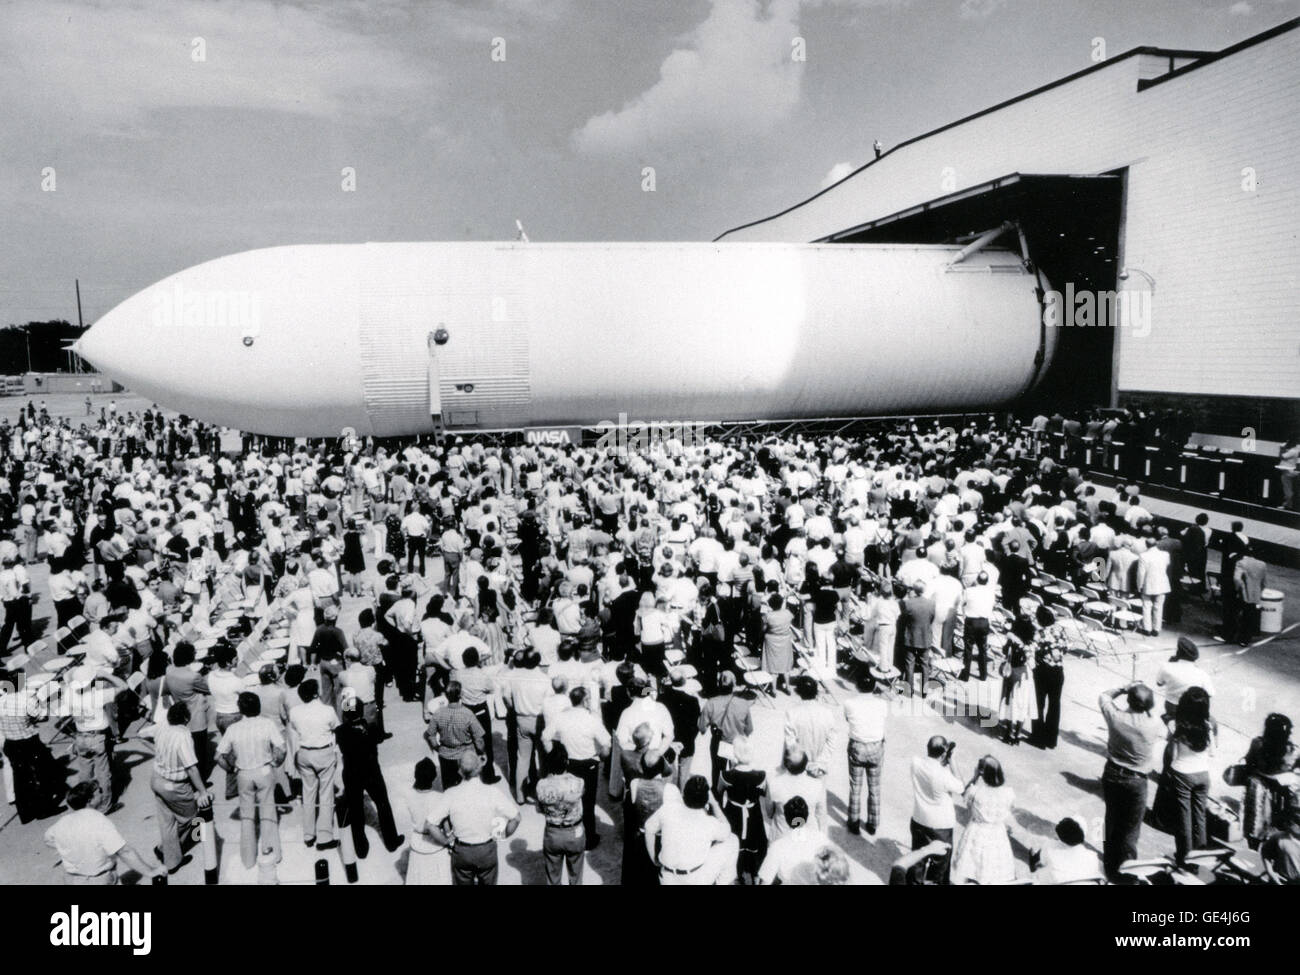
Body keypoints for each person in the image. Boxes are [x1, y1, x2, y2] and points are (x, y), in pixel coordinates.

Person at [1099, 682, 1164, 881]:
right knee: (1130, 828)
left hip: (1112, 773)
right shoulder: (1154, 725)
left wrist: (1123, 688)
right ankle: (1127, 872)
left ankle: (1110, 866)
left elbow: (1104, 695)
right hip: (1136, 780)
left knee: (1112, 820)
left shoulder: (1116, 718)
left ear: (1129, 701)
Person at [215, 691, 286, 869]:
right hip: (264, 770)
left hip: (243, 773)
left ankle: (248, 859)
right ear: (258, 706)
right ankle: (271, 853)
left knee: (247, 816)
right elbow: (282, 749)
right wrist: (275, 762)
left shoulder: (233, 729)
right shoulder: (267, 724)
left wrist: (231, 769)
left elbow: (218, 756)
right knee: (268, 813)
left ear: (240, 709)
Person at [44, 782, 164, 884]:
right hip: (99, 879)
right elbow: (124, 851)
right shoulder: (98, 820)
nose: (102, 793)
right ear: (90, 800)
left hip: (73, 879)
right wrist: (151, 871)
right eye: (99, 791)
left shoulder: (61, 822)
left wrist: (72, 848)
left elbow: (48, 839)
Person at [429, 752, 520, 885]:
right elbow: (516, 818)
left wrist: (446, 841)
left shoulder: (451, 794)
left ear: (460, 771)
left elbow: (430, 824)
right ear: (479, 769)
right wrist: (502, 834)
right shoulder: (492, 792)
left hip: (462, 851)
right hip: (487, 850)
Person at [541, 686, 610, 850]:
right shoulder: (592, 720)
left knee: (569, 799)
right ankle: (589, 838)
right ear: (585, 701)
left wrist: (554, 756)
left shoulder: (561, 717)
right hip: (589, 764)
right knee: (588, 802)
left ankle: (570, 833)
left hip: (569, 764)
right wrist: (600, 758)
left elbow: (545, 737)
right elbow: (606, 745)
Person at [335, 702, 403, 859]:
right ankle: (391, 840)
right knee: (382, 804)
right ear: (361, 711)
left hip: (352, 773)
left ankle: (361, 848)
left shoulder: (340, 731)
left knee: (356, 809)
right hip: (371, 771)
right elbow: (379, 738)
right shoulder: (371, 728)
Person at [1157, 686, 1216, 870]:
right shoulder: (1208, 726)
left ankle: (1184, 859)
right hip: (1203, 775)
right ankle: (1199, 858)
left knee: (1183, 820)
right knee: (1199, 818)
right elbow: (1212, 752)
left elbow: (1171, 751)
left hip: (1182, 774)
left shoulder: (1176, 725)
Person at [151, 701, 212, 874]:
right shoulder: (183, 735)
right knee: (190, 817)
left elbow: (141, 733)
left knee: (167, 821)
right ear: (186, 718)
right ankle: (165, 848)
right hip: (175, 785)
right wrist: (202, 791)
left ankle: (171, 859)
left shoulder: (162, 726)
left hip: (156, 778)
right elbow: (191, 767)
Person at [644, 774, 738, 885]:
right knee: (732, 840)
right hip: (695, 879)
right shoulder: (709, 822)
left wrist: (654, 859)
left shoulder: (669, 808)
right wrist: (714, 803)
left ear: (684, 794)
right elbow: (727, 830)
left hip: (667, 878)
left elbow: (648, 828)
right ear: (706, 800)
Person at [0, 681, 64, 822]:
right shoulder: (25, 701)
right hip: (28, 742)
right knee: (42, 774)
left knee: (20, 779)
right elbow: (43, 717)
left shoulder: (1, 700)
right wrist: (41, 703)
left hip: (11, 743)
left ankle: (25, 814)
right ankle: (45, 808)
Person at [288, 679, 339, 850]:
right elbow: (335, 727)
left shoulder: (295, 712)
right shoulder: (327, 710)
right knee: (325, 794)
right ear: (316, 693)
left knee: (308, 793)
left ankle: (308, 834)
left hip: (304, 753)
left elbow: (294, 729)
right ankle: (325, 836)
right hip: (323, 752)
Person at [952, 756, 1017, 884]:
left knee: (971, 868)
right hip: (997, 833)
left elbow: (964, 794)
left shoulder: (975, 791)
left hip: (977, 831)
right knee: (992, 869)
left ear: (983, 774)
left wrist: (975, 777)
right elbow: (1010, 807)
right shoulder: (1009, 793)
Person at [909, 735, 963, 884]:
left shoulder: (915, 763)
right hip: (941, 825)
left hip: (919, 818)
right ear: (944, 754)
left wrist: (943, 759)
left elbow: (929, 765)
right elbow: (961, 786)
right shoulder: (944, 774)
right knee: (939, 866)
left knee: (917, 859)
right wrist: (952, 762)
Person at [1241, 712, 1299, 849]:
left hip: (1259, 786)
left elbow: (1249, 762)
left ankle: (1254, 845)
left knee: (1255, 820)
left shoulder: (1258, 743)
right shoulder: (1293, 750)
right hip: (1282, 791)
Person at [533, 743, 587, 885]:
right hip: (575, 832)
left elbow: (539, 809)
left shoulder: (541, 785)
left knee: (553, 877)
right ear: (567, 762)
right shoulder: (579, 782)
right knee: (576, 875)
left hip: (553, 834)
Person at [718, 735, 768, 884]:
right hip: (753, 812)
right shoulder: (761, 775)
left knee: (736, 839)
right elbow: (763, 793)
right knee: (754, 841)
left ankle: (736, 873)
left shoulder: (726, 775)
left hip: (734, 812)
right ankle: (754, 871)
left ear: (734, 754)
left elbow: (719, 791)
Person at [843, 670, 887, 835]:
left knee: (855, 786)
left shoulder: (849, 703)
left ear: (857, 685)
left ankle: (853, 822)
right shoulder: (882, 704)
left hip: (857, 746)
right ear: (874, 686)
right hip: (876, 746)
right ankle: (872, 823)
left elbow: (848, 719)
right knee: (874, 787)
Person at [756, 796, 829, 885]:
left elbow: (765, 881)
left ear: (786, 819)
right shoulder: (822, 838)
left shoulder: (778, 846)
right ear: (807, 815)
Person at [425, 681, 485, 788]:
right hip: (465, 756)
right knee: (468, 789)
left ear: (446, 696)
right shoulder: (468, 713)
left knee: (449, 789)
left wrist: (437, 748)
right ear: (460, 695)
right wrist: (481, 752)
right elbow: (478, 739)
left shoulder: (438, 713)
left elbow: (430, 735)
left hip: (445, 756)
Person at [699, 670, 753, 787]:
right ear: (734, 685)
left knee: (717, 773)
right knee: (738, 775)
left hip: (719, 743)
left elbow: (702, 728)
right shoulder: (744, 704)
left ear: (719, 685)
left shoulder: (711, 703)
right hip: (737, 745)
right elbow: (749, 730)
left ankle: (717, 797)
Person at [402, 758, 452, 885]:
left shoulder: (408, 795)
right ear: (434, 777)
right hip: (437, 843)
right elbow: (446, 826)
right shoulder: (440, 797)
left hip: (418, 842)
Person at [1031, 817, 1103, 885]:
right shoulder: (1093, 856)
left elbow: (1043, 862)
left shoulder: (1050, 847)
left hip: (1056, 880)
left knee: (1040, 872)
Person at [900, 581, 934, 696]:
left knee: (909, 663)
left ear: (914, 590)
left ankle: (909, 691)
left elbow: (904, 619)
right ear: (924, 590)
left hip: (911, 636)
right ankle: (924, 691)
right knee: (925, 664)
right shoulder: (931, 603)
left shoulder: (908, 603)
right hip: (925, 637)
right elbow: (931, 618)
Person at [1260, 809, 1300, 884]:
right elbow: (1265, 852)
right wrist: (1270, 872)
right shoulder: (1278, 837)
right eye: (1297, 822)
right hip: (1281, 880)